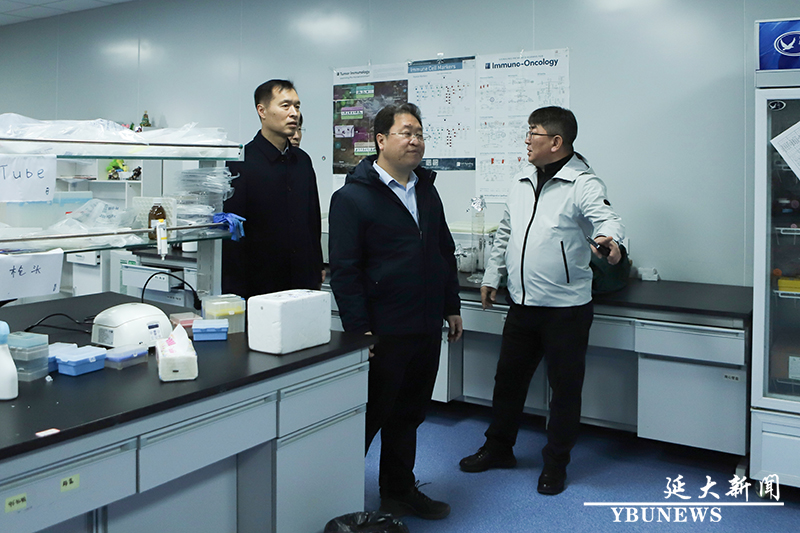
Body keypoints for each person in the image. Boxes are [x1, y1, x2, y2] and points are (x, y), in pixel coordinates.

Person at [459, 106, 625, 496]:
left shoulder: (582, 183)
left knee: (564, 390)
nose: (526, 140)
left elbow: (607, 220)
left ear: (556, 141)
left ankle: (555, 464)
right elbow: (506, 232)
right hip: (522, 304)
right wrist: (493, 276)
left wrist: (610, 241)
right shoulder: (521, 180)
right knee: (508, 382)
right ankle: (499, 449)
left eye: (532, 133)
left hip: (566, 308)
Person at [329, 103, 463, 520]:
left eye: (419, 133)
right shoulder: (351, 198)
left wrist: (451, 305)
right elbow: (345, 271)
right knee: (368, 418)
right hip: (383, 331)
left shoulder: (426, 189)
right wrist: (360, 331)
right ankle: (333, 500)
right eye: (406, 132)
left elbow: (443, 251)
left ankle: (398, 491)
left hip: (425, 324)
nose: (415, 140)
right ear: (381, 140)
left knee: (409, 415)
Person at [222, 80, 324, 298]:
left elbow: (312, 220)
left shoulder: (302, 161)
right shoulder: (241, 163)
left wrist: (317, 266)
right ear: (262, 111)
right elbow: (232, 234)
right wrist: (234, 289)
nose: (294, 113)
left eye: (297, 106)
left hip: (302, 281)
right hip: (259, 285)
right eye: (285, 106)